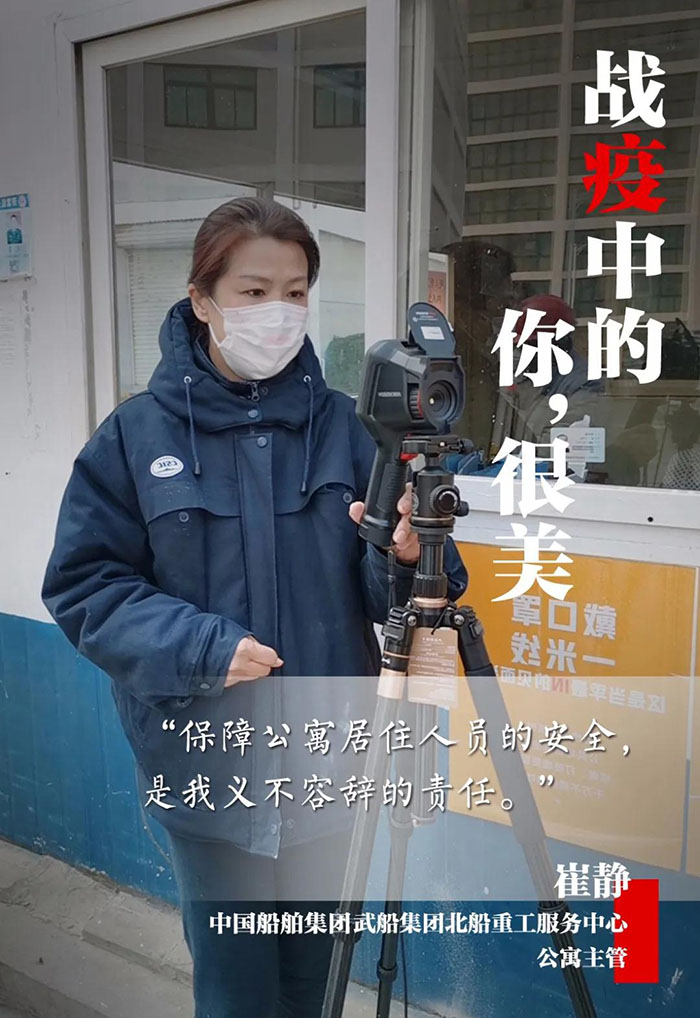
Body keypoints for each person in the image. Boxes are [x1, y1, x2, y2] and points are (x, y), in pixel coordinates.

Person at [42, 197, 467, 1018]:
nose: (279, 311)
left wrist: (407, 557)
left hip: (331, 763)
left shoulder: (351, 431)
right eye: (253, 291)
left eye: (296, 292)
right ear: (202, 299)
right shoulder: (135, 437)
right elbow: (85, 585)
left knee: (317, 986)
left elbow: (407, 609)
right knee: (238, 992)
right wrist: (199, 647)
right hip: (210, 769)